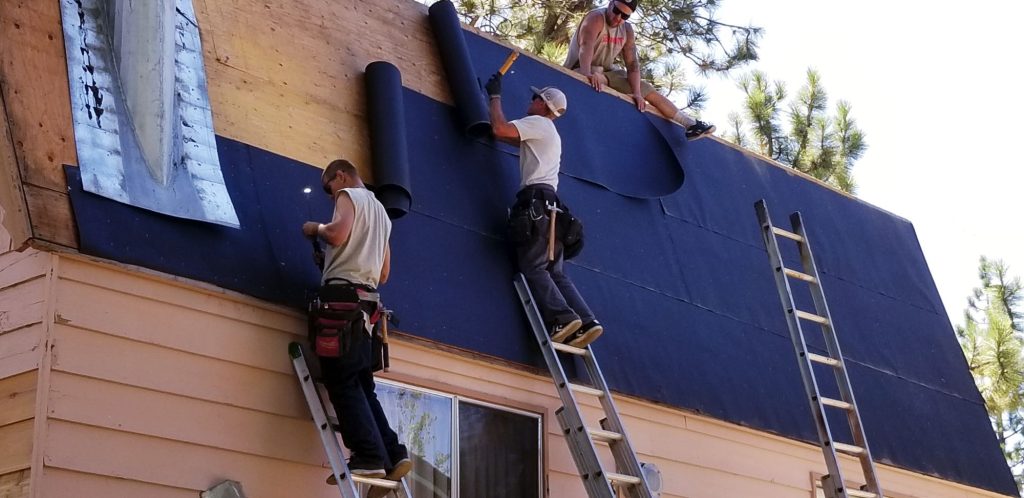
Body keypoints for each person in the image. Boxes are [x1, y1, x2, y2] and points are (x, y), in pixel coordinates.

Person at [301, 159, 411, 492]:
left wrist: (315, 229)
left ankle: (367, 456)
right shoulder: (381, 214)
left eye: (328, 185)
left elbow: (337, 233)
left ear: (343, 175)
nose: (329, 193)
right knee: (362, 384)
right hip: (366, 308)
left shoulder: (349, 195)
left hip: (341, 300)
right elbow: (383, 274)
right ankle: (392, 453)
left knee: (341, 381)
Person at [484, 73, 604, 348]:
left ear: (543, 104)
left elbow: (500, 130)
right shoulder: (549, 132)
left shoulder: (538, 123)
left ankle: (562, 317)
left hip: (536, 202)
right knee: (556, 272)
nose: (531, 100)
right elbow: (512, 137)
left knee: (533, 266)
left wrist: (494, 97)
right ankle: (585, 321)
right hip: (552, 209)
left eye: (535, 97)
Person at [564, 0, 716, 140]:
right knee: (597, 70)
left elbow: (632, 65)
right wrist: (586, 75)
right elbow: (586, 46)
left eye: (624, 16)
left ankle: (690, 124)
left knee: (646, 89)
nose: (618, 18)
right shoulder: (596, 18)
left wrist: (637, 93)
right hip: (580, 70)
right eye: (616, 11)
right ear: (610, 4)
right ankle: (597, 75)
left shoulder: (627, 30)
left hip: (606, 74)